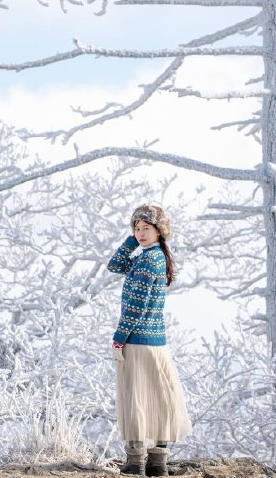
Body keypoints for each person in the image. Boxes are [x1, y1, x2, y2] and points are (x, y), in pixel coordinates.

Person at [107, 204, 192, 477]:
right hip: (156, 343)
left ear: (159, 231)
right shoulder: (155, 257)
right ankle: (157, 464)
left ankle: (135, 463)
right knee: (159, 400)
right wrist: (132, 239)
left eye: (146, 228)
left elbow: (136, 306)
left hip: (138, 341)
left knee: (136, 399)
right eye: (137, 228)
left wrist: (119, 339)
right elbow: (115, 265)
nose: (140, 233)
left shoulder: (148, 259)